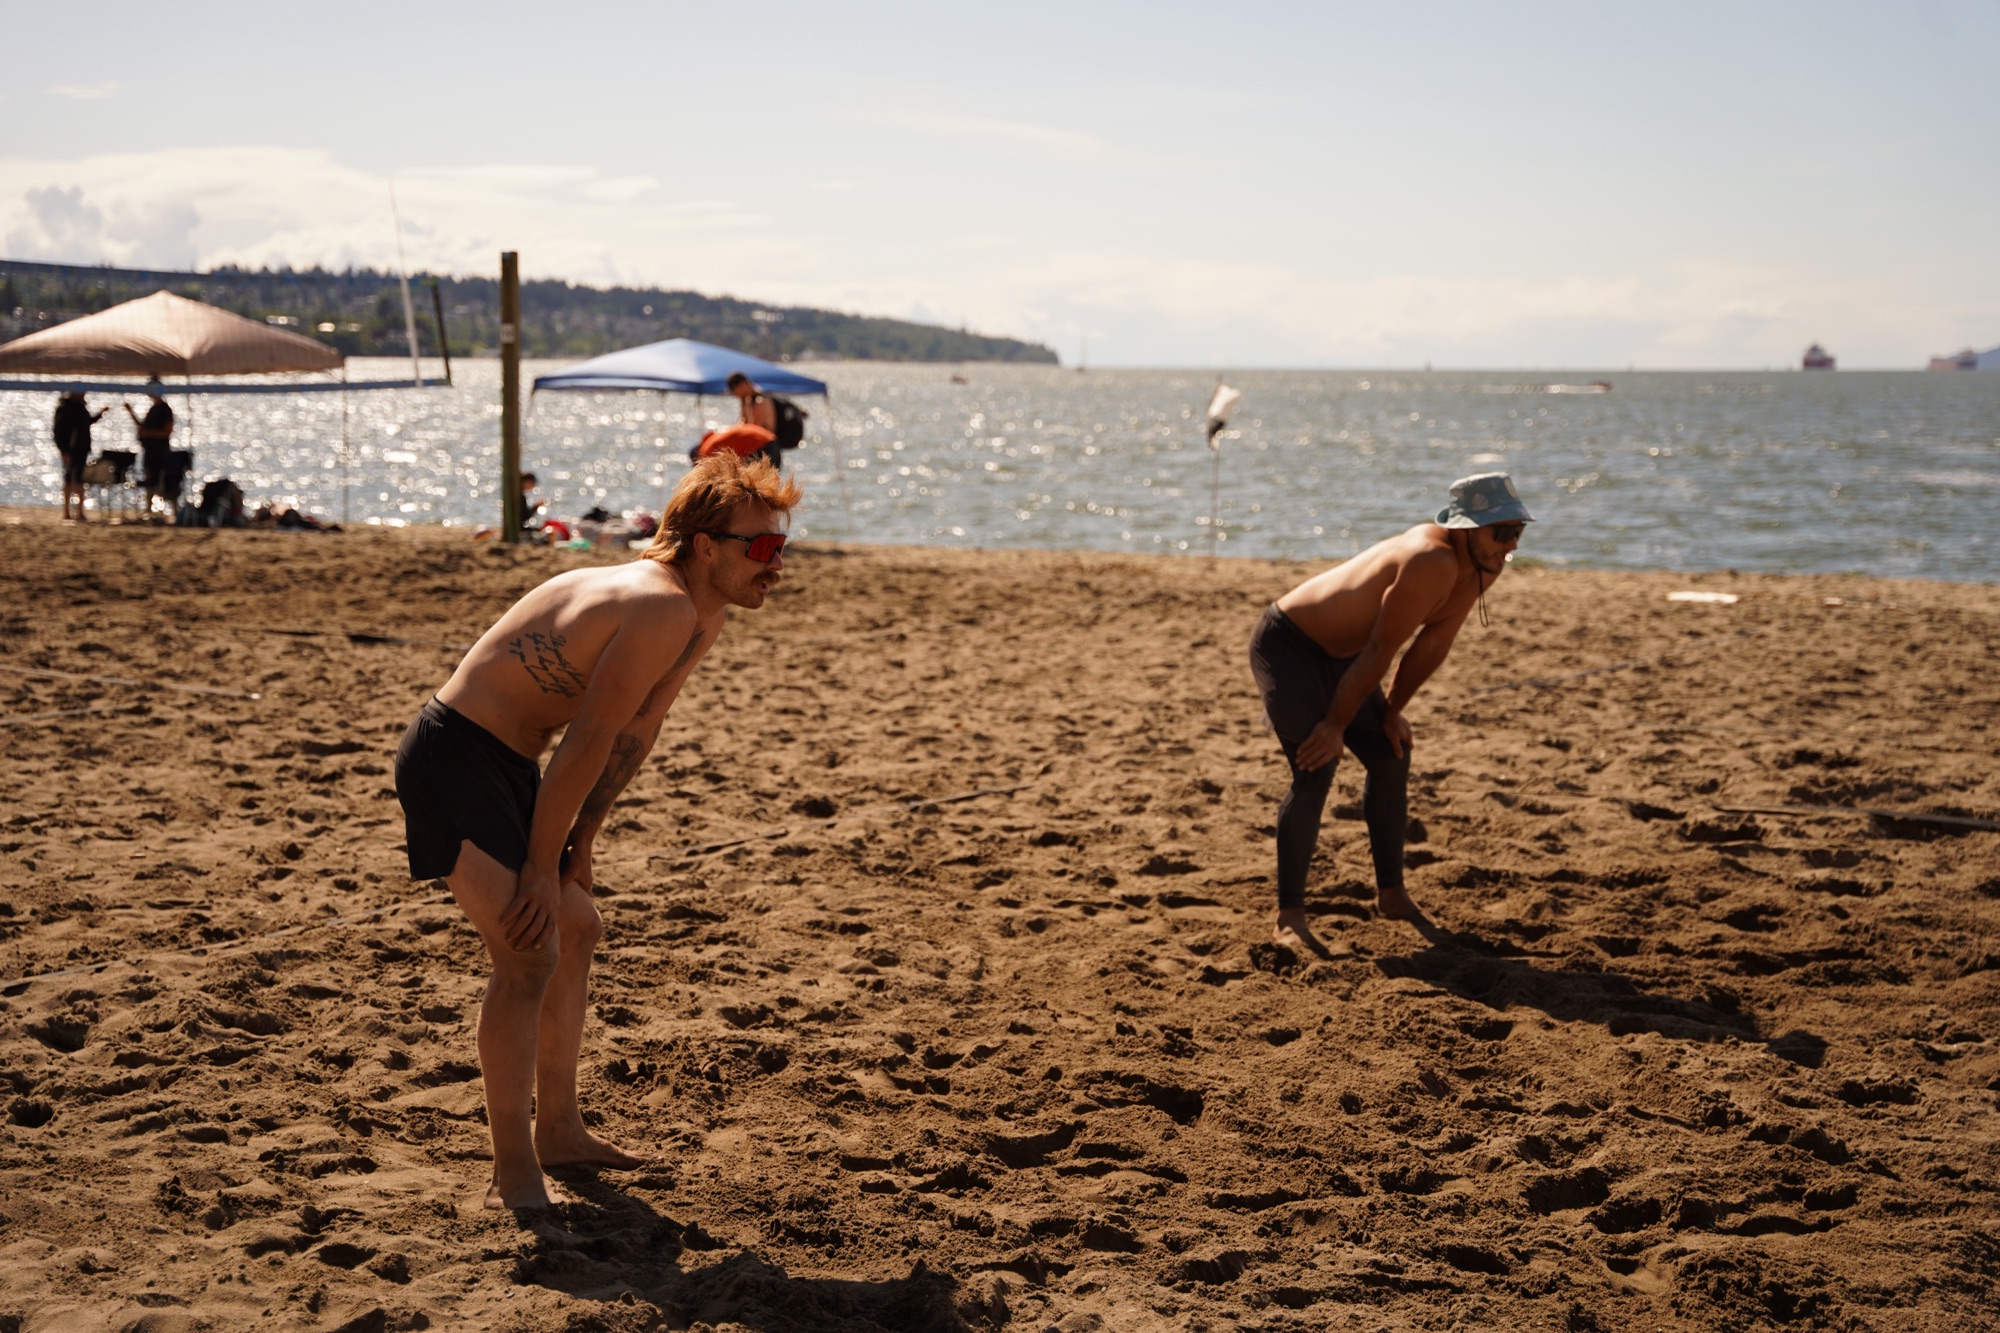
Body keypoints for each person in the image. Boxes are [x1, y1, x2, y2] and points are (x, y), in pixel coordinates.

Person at [394, 453, 801, 1210]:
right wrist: (542, 865)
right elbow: (585, 741)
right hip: (452, 757)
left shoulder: (700, 613)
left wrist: (582, 843)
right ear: (705, 544)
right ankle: (513, 1167)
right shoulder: (657, 604)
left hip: (511, 765)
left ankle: (562, 1132)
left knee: (577, 928)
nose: (777, 566)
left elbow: (634, 734)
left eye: (784, 548)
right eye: (763, 548)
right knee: (528, 948)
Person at [1248, 472, 1534, 946]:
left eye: (1517, 533)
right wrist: (1336, 725)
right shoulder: (1430, 559)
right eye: (1500, 532)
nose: (1510, 544)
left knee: (1390, 752)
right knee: (1317, 765)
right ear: (1465, 527)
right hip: (1289, 646)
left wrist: (1391, 711)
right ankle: (1289, 917)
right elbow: (1382, 649)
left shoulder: (1485, 564)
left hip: (1345, 658)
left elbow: (1434, 642)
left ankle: (1392, 894)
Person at [123, 378, 176, 516]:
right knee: (150, 480)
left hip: (160, 452)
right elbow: (143, 428)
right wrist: (131, 413)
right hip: (150, 451)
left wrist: (148, 433)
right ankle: (148, 509)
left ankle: (172, 511)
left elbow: (167, 432)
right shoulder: (153, 408)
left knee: (164, 481)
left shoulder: (165, 409)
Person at [52, 391, 108, 521]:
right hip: (71, 450)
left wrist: (101, 413)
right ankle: (67, 512)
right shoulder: (65, 408)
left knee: (78, 479)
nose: (83, 394)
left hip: (81, 449)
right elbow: (58, 431)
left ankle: (79, 512)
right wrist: (64, 450)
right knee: (70, 479)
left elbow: (86, 422)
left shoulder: (80, 407)